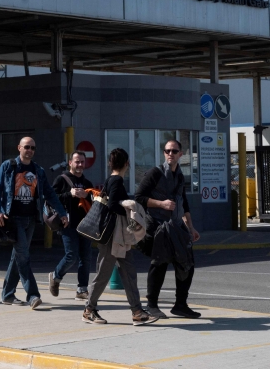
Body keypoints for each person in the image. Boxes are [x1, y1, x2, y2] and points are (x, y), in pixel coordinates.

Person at [83, 148, 158, 326]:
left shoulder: (112, 179)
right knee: (104, 274)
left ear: (111, 163)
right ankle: (89, 309)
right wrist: (128, 206)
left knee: (129, 273)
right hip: (113, 237)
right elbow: (113, 205)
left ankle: (137, 312)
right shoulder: (116, 180)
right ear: (127, 164)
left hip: (118, 237)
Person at [0, 137, 68, 308]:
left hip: (31, 219)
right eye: (27, 147)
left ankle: (7, 295)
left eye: (33, 148)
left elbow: (49, 193)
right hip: (13, 219)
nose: (30, 150)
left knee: (17, 257)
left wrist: (62, 213)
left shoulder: (38, 170)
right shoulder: (9, 166)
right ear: (19, 148)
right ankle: (33, 295)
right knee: (24, 256)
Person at [135, 139, 201, 319]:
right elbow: (139, 197)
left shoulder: (180, 175)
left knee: (187, 263)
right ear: (164, 153)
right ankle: (152, 305)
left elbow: (183, 202)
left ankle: (180, 305)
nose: (170, 154)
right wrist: (161, 204)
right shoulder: (155, 173)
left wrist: (191, 227)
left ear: (181, 154)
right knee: (159, 264)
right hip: (158, 227)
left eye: (174, 151)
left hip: (177, 228)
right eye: (167, 151)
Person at [49, 151, 95, 300]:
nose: (80, 165)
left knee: (86, 258)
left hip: (85, 224)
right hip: (67, 224)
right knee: (71, 256)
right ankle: (56, 276)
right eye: (77, 162)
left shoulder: (87, 183)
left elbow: (94, 201)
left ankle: (82, 289)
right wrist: (70, 194)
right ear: (70, 163)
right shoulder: (61, 179)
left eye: (82, 162)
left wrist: (87, 195)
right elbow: (51, 198)